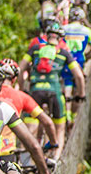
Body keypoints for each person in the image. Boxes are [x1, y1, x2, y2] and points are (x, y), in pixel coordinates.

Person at [20, 20, 86, 149]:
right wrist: (81, 94)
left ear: (47, 35)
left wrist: (22, 89)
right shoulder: (63, 53)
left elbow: (21, 69)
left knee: (30, 128)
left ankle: (24, 161)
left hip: (35, 92)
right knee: (59, 128)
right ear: (61, 38)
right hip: (54, 91)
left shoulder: (35, 49)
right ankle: (56, 159)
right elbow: (78, 75)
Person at [62, 7, 91, 123]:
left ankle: (66, 115)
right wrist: (87, 57)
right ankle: (74, 116)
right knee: (78, 89)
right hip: (79, 61)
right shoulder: (86, 31)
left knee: (66, 86)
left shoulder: (63, 29)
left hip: (65, 61)